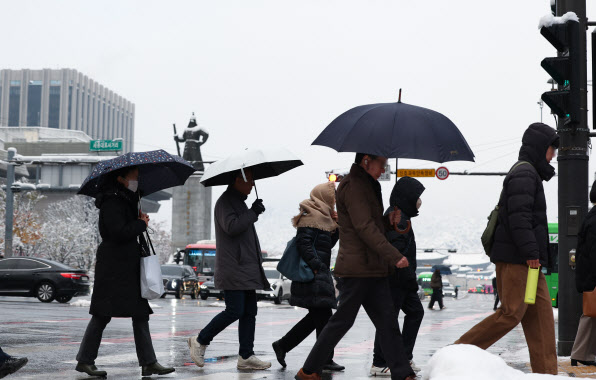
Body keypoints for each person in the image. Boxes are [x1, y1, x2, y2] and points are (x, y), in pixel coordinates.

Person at [295, 153, 415, 380]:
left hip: (372, 267)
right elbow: (364, 228)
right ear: (367, 160)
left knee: (387, 323)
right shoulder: (353, 186)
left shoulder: (367, 185)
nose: (384, 169)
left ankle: (403, 373)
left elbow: (370, 224)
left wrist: (387, 223)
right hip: (358, 267)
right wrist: (393, 255)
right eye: (382, 164)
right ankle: (309, 370)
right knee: (342, 321)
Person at [454, 122, 559, 375]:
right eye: (551, 148)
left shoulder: (530, 174)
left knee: (541, 322)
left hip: (529, 263)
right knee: (511, 314)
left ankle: (547, 375)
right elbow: (519, 218)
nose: (553, 154)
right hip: (518, 260)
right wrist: (531, 253)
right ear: (539, 147)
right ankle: (456, 352)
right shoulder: (524, 174)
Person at [76, 166, 175, 377]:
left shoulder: (125, 200)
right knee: (102, 314)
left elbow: (124, 229)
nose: (137, 180)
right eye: (134, 177)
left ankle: (149, 362)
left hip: (127, 267)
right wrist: (139, 224)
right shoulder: (112, 201)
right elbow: (118, 233)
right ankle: (85, 361)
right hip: (114, 268)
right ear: (120, 179)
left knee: (140, 314)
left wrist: (137, 220)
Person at [188, 168, 272, 370]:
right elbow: (232, 227)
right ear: (238, 180)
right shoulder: (225, 202)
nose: (252, 184)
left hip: (246, 268)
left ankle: (246, 356)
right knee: (234, 310)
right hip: (234, 267)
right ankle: (200, 340)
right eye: (250, 179)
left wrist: (251, 211)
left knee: (249, 311)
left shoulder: (239, 202)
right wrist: (253, 213)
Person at [272, 182, 344, 371]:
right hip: (313, 275)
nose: (334, 202)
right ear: (324, 198)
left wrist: (336, 226)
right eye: (332, 198)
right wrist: (317, 266)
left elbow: (327, 245)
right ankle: (324, 358)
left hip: (318, 275)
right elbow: (304, 244)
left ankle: (283, 345)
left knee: (318, 318)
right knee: (323, 318)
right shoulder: (309, 215)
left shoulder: (325, 217)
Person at [371, 176, 425, 376]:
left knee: (413, 313)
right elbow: (397, 252)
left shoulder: (402, 216)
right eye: (417, 197)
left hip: (402, 279)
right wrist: (410, 278)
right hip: (396, 279)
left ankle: (403, 357)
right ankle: (379, 362)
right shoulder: (397, 217)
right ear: (407, 197)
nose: (419, 201)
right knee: (388, 318)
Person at [570, 180, 596, 367]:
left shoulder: (591, 216)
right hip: (592, 277)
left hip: (589, 276)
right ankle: (580, 354)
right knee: (590, 315)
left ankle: (581, 354)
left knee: (590, 316)